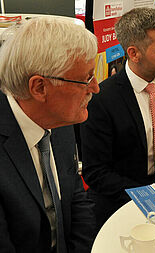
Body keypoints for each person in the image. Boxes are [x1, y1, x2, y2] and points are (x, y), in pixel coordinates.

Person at [80, 7, 155, 230]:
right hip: (123, 203)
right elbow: (96, 172)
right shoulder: (102, 99)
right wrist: (149, 198)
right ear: (134, 53)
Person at [0, 17, 99, 252]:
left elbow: (76, 199)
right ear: (40, 88)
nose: (96, 88)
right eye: (86, 79)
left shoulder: (58, 118)